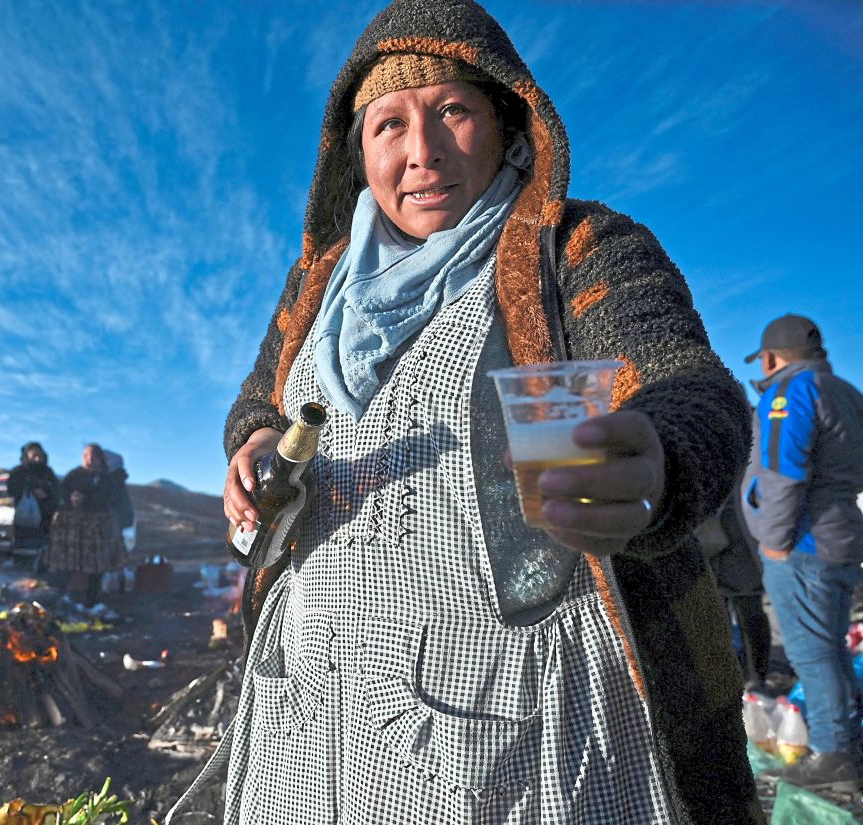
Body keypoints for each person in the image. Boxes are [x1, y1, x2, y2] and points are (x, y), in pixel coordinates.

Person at [172, 2, 760, 822]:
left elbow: (683, 381)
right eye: (388, 126)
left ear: (508, 122)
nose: (423, 152)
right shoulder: (321, 283)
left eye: (452, 111)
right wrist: (257, 439)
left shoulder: (576, 247)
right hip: (312, 706)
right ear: (356, 153)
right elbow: (261, 396)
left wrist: (658, 456)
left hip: (509, 723)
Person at [741, 314, 863, 791]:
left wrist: (773, 541)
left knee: (813, 655)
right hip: (840, 540)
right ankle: (845, 740)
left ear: (771, 358)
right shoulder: (848, 394)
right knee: (830, 650)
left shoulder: (790, 394)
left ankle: (834, 756)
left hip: (803, 547)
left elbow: (782, 472)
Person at [698, 477, 771, 694]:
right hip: (735, 535)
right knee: (742, 611)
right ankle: (752, 678)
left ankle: (735, 679)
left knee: (730, 612)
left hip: (723, 537)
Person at [46, 444, 126, 608]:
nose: (88, 459)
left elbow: (108, 497)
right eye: (85, 455)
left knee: (95, 565)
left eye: (92, 456)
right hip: (72, 527)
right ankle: (61, 598)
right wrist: (69, 499)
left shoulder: (107, 478)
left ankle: (92, 601)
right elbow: (61, 491)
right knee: (67, 562)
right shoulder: (74, 474)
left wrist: (86, 499)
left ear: (99, 458)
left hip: (97, 527)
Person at [6, 442, 59, 552]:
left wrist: (47, 494)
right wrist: (31, 490)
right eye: (33, 455)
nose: (37, 458)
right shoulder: (18, 472)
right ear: (26, 455)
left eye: (39, 455)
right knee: (23, 546)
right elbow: (11, 490)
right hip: (25, 516)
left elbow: (57, 490)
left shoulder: (48, 472)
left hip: (45, 517)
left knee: (43, 547)